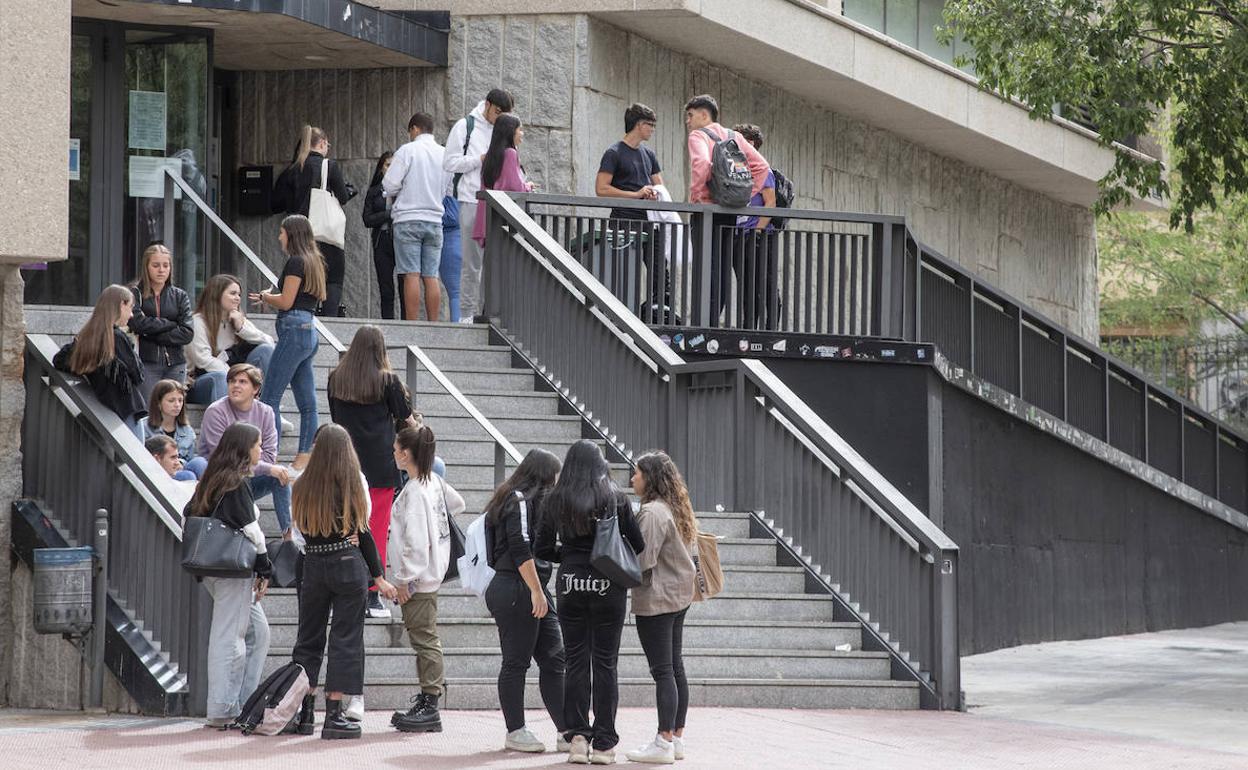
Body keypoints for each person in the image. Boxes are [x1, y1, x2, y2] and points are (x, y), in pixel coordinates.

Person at [534, 440, 644, 765]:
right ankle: (605, 744)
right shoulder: (615, 497)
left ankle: (578, 738)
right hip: (608, 584)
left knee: (576, 662)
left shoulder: (555, 498)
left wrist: (567, 554)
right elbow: (636, 543)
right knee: (606, 662)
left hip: (570, 582)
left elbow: (540, 549)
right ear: (600, 466)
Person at [289, 424, 398, 739]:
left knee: (308, 639)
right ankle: (334, 715)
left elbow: (297, 535)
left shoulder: (301, 484)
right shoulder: (353, 483)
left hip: (312, 564)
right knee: (345, 639)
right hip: (347, 564)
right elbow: (363, 533)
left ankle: (305, 712)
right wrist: (378, 576)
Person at [328, 325, 420, 618]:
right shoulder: (388, 381)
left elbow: (334, 419)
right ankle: (371, 594)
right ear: (380, 350)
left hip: (343, 461)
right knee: (375, 527)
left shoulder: (335, 379)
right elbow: (407, 420)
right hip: (380, 463)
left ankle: (337, 589)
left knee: (340, 525)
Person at [183, 422, 272, 728]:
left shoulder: (213, 478)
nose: (261, 449)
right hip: (234, 569)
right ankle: (222, 708)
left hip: (215, 568)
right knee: (229, 637)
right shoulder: (235, 482)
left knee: (258, 633)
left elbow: (188, 511)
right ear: (245, 448)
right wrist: (265, 566)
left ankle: (245, 703)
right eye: (258, 444)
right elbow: (252, 530)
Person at [483, 448, 568, 753]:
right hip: (518, 588)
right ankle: (515, 731)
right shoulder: (517, 500)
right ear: (543, 476)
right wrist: (536, 589)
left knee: (554, 659)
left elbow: (539, 549)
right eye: (554, 479)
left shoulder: (525, 502)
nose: (556, 486)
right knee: (517, 662)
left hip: (526, 588)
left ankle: (567, 730)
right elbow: (521, 548)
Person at [387, 425, 464, 733]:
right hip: (430, 573)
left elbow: (415, 543)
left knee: (424, 639)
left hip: (418, 578)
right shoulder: (432, 482)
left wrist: (404, 579)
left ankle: (430, 703)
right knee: (425, 637)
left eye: (396, 449)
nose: (393, 453)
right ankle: (427, 699)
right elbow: (457, 503)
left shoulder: (415, 492)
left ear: (406, 454)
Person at [624, 452, 699, 764]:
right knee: (675, 667)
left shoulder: (652, 513)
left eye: (637, 474)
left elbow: (643, 560)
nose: (632, 479)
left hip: (658, 598)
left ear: (650, 478)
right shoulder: (674, 507)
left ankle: (663, 740)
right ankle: (675, 737)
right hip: (678, 595)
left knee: (663, 671)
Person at [683, 95, 771, 323]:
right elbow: (762, 168)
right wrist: (743, 197)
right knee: (721, 270)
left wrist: (695, 197)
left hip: (707, 213)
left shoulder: (698, 135)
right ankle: (713, 322)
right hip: (730, 213)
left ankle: (705, 324)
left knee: (706, 270)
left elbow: (701, 165)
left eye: (691, 115)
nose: (688, 121)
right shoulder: (736, 137)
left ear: (704, 115)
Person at [249, 215, 325, 472]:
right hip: (308, 330)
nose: (279, 237)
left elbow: (287, 302)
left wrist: (265, 296)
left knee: (270, 396)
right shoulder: (315, 261)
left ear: (292, 234)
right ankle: (304, 455)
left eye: (282, 233)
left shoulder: (296, 261)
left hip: (294, 330)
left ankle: (269, 453)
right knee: (307, 402)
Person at [594, 103, 671, 321]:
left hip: (650, 221)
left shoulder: (649, 154)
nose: (653, 129)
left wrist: (654, 193)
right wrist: (636, 195)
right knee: (624, 272)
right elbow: (601, 189)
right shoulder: (614, 152)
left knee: (659, 272)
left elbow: (660, 186)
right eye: (650, 124)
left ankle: (656, 316)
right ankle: (618, 317)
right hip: (623, 221)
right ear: (638, 125)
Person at [444, 88, 514, 323]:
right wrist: (479, 159)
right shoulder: (466, 126)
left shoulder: (502, 129)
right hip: (471, 200)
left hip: (496, 203)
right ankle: (465, 315)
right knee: (472, 263)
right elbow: (450, 163)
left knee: (493, 264)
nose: (498, 117)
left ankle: (488, 314)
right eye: (496, 111)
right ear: (487, 105)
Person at [198, 363, 294, 535]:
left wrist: (265, 467)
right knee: (272, 471)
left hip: (251, 478)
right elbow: (222, 458)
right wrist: (262, 463)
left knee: (280, 476)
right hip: (221, 481)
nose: (235, 385)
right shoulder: (216, 411)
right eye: (232, 381)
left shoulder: (266, 412)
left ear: (256, 389)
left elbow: (270, 457)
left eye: (242, 382)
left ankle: (289, 539)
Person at [53, 284, 146, 438]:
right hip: (125, 410)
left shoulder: (89, 337)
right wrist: (132, 347)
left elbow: (60, 360)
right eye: (130, 307)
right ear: (121, 304)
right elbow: (138, 375)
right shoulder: (118, 338)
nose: (131, 315)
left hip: (103, 409)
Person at [383, 113, 446, 322]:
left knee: (411, 274)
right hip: (435, 220)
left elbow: (390, 183)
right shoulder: (443, 153)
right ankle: (433, 325)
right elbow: (448, 188)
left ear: (415, 129)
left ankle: (412, 324)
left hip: (408, 218)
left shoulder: (407, 150)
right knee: (431, 275)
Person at [289, 125, 355, 317]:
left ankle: (304, 316)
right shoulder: (329, 166)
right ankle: (330, 323)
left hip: (300, 232)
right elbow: (342, 197)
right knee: (333, 279)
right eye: (328, 144)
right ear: (323, 143)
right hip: (323, 232)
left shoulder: (295, 168)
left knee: (305, 277)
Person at [185, 273, 276, 405]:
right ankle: (229, 423)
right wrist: (236, 377)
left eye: (239, 294)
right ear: (217, 294)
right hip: (201, 382)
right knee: (220, 377)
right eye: (233, 293)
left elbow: (269, 343)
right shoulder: (198, 321)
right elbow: (203, 360)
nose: (237, 298)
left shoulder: (236, 318)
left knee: (265, 350)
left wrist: (241, 329)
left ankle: (267, 406)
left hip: (232, 379)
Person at [732, 124, 786, 330]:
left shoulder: (762, 170)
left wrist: (757, 231)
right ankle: (748, 329)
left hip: (760, 236)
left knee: (766, 283)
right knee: (747, 286)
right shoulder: (736, 170)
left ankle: (771, 330)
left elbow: (770, 203)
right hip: (740, 234)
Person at [128, 242, 194, 403]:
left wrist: (151, 334)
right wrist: (170, 324)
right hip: (146, 361)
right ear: (147, 266)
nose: (161, 270)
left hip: (176, 363)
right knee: (148, 410)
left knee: (172, 412)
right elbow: (137, 323)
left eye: (166, 265)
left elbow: (187, 333)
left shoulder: (180, 295)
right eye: (156, 265)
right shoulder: (134, 293)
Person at [470, 114, 533, 247]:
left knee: (491, 263)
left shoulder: (492, 155)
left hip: (488, 217)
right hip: (502, 219)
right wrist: (528, 186)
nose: (522, 133)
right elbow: (514, 186)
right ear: (510, 132)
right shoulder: (510, 153)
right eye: (519, 129)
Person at [362, 151, 407, 321]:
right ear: (381, 168)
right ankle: (388, 324)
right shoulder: (374, 191)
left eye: (395, 165)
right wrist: (388, 214)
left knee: (405, 286)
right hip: (382, 241)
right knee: (386, 288)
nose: (391, 168)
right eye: (388, 165)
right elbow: (367, 219)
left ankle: (406, 324)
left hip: (402, 240)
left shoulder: (404, 189)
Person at [141, 379, 206, 479]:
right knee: (187, 476)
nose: (177, 405)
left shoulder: (187, 431)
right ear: (158, 403)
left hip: (179, 470)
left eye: (180, 400)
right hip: (156, 474)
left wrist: (180, 463)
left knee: (199, 462)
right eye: (171, 401)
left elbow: (191, 458)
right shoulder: (143, 427)